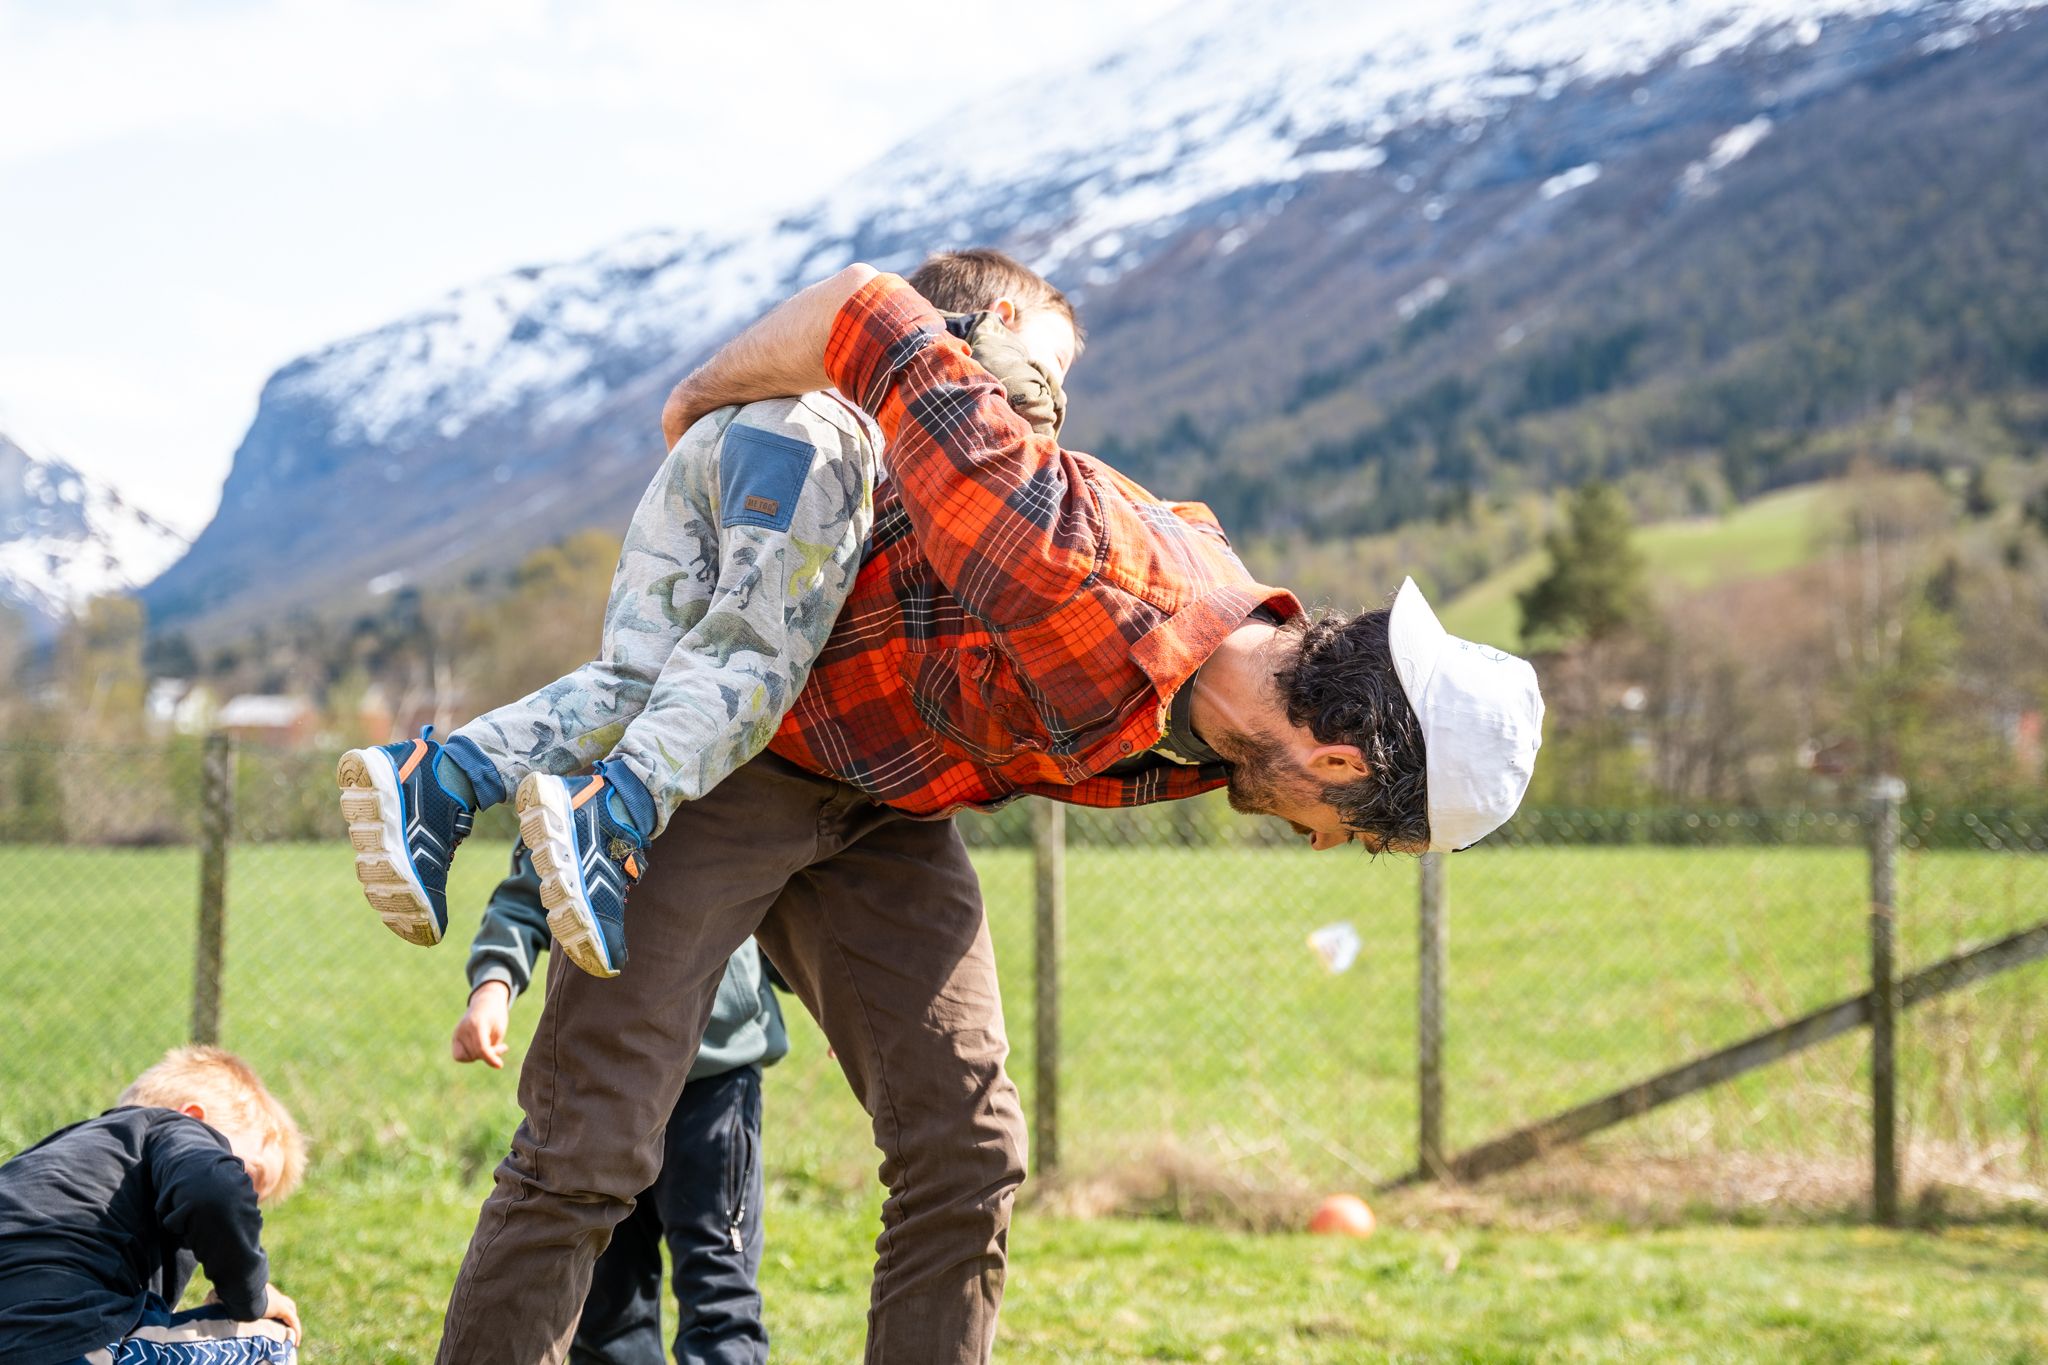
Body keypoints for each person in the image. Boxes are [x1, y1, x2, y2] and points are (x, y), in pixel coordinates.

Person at [433, 261, 1543, 1365]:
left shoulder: (1216, 729)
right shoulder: (1067, 557)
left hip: (886, 804)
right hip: (733, 754)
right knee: (593, 1143)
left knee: (967, 1154)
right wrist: (696, 409)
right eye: (1349, 826)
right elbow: (867, 308)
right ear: (1339, 757)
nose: (1319, 839)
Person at [335, 250, 1080, 978]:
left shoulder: (828, 349)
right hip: (819, 448)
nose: (1055, 387)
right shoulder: (968, 343)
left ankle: (438, 780)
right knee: (748, 660)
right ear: (1007, 315)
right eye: (1056, 361)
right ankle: (614, 811)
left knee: (638, 676)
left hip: (726, 437)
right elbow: (1014, 418)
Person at [451, 843, 787, 1365]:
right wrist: (493, 985)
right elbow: (525, 897)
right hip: (608, 1083)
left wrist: (844, 1002)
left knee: (719, 1285)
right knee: (607, 1299)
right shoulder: (577, 783)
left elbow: (798, 908)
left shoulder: (744, 784)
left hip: (714, 1082)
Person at [0, 1046, 309, 1365]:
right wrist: (250, 1296)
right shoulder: (175, 1128)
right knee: (271, 1338)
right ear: (194, 1118)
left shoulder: (50, 1158)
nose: (245, 1201)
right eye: (246, 1176)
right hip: (68, 1341)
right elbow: (213, 1190)